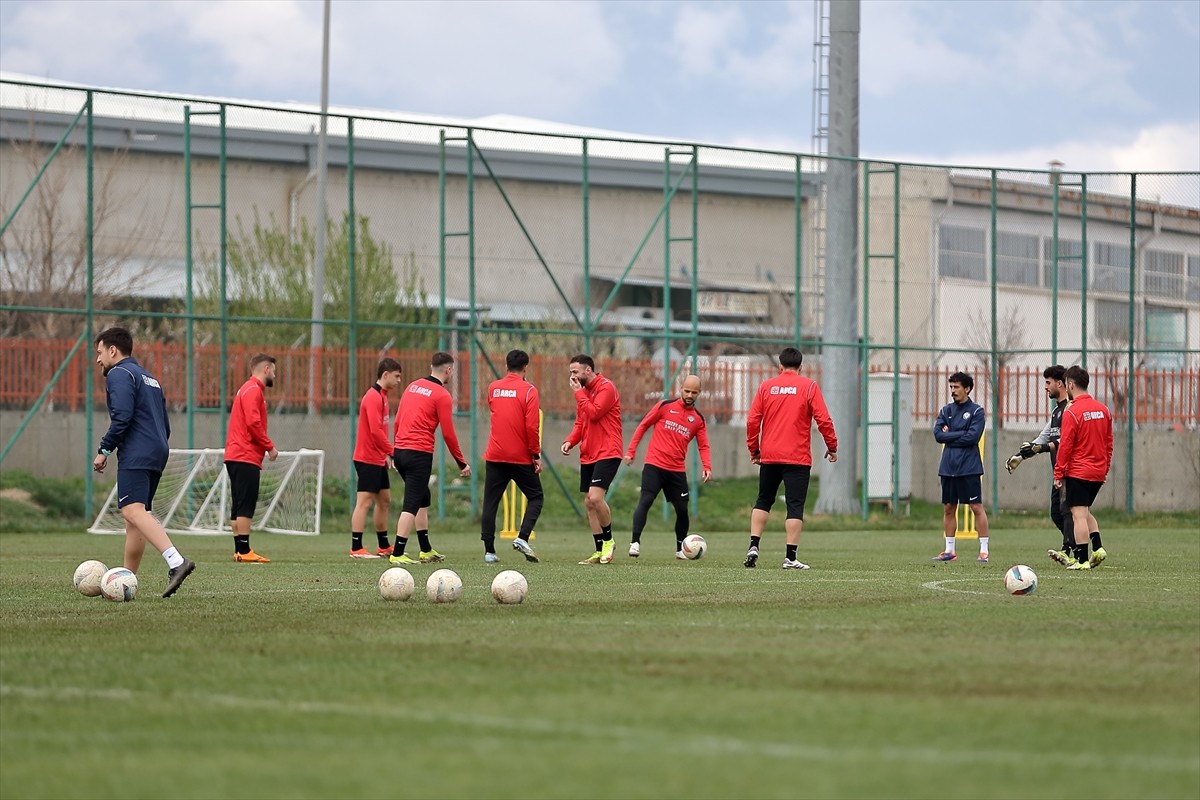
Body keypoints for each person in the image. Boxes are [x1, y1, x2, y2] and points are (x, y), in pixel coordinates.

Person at [92, 326, 195, 597]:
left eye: (100, 352)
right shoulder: (149, 377)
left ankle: (176, 561)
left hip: (137, 451)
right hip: (157, 448)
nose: (98, 359)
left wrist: (104, 449)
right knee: (135, 519)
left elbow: (122, 416)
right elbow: (165, 423)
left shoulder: (119, 373)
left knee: (131, 511)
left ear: (113, 350)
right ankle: (126, 581)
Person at [743, 347, 837, 570]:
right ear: (801, 367)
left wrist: (754, 450)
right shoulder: (809, 387)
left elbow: (752, 421)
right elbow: (824, 420)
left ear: (780, 366)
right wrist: (832, 446)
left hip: (770, 456)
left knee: (763, 500)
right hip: (797, 457)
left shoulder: (766, 387)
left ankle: (753, 545)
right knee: (795, 507)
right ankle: (790, 557)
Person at [388, 352, 471, 566]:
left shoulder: (412, 386)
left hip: (401, 450)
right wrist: (461, 462)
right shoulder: (442, 395)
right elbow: (449, 433)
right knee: (412, 503)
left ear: (431, 366)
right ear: (449, 370)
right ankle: (397, 552)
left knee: (422, 497)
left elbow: (398, 421)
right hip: (419, 453)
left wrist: (396, 450)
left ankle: (425, 549)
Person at [624, 374, 712, 559]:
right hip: (654, 465)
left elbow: (703, 445)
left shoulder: (697, 419)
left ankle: (681, 549)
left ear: (699, 393)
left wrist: (707, 466)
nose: (689, 395)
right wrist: (631, 451)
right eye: (687, 390)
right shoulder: (665, 406)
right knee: (646, 501)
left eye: (693, 392)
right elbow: (643, 425)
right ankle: (635, 542)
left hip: (677, 471)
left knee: (682, 509)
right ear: (680, 389)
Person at [1004, 365, 1076, 565]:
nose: (1046, 387)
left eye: (1048, 382)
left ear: (1060, 384)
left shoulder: (1071, 409)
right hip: (1058, 471)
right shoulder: (1056, 412)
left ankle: (1069, 550)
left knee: (1068, 511)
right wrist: (1020, 456)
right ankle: (1078, 545)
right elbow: (1043, 437)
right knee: (1057, 513)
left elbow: (1067, 441)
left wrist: (1041, 448)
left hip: (1071, 470)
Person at [480, 349, 544, 564]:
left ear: (506, 366)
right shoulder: (529, 391)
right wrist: (535, 454)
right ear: (525, 367)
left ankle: (489, 552)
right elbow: (531, 426)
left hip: (495, 455)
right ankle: (523, 537)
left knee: (490, 502)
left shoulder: (493, 388)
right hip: (519, 457)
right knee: (536, 497)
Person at [560, 354, 623, 565]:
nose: (572, 376)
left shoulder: (606, 387)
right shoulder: (583, 393)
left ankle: (609, 541)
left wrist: (578, 394)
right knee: (589, 502)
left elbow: (594, 413)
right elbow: (581, 422)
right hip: (589, 453)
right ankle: (598, 550)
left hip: (608, 451)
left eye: (575, 372)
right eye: (570, 372)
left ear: (588, 370)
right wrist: (570, 441)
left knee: (596, 498)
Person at [1054, 365, 1112, 571]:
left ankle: (1081, 560)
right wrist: (1105, 468)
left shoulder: (1072, 411)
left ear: (1070, 385)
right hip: (1098, 471)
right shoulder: (1103, 409)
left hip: (1078, 471)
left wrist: (1058, 472)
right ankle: (1098, 548)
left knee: (1077, 515)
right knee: (1084, 511)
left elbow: (1066, 445)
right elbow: (1109, 443)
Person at [225, 352, 279, 563]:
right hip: (244, 454)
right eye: (273, 371)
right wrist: (270, 447)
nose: (274, 375)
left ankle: (239, 549)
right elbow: (253, 423)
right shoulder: (253, 390)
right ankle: (245, 551)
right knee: (246, 502)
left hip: (236, 454)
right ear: (266, 370)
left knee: (238, 502)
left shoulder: (246, 389)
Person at [348, 358, 404, 559]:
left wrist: (385, 455)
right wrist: (392, 452)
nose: (399, 380)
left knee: (385, 500)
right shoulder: (372, 397)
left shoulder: (382, 396)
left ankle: (383, 546)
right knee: (364, 502)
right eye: (396, 376)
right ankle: (356, 548)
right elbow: (374, 431)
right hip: (367, 458)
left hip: (377, 458)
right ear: (385, 374)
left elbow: (380, 431)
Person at [932, 371, 989, 563]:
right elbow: (938, 435)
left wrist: (951, 433)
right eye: (951, 387)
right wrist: (959, 433)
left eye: (956, 387)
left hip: (969, 467)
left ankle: (984, 550)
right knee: (949, 507)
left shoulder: (976, 411)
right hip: (948, 467)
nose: (953, 391)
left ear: (967, 388)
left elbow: (972, 437)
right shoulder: (946, 410)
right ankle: (950, 551)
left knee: (976, 506)